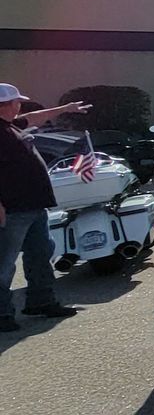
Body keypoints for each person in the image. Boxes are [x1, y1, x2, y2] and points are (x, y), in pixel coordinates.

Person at [0, 84, 88, 333]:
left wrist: (66, 108)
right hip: (12, 210)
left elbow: (33, 118)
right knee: (4, 263)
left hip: (34, 207)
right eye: (16, 102)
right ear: (6, 105)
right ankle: (2, 314)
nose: (19, 106)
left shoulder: (11, 125)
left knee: (40, 253)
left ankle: (41, 301)